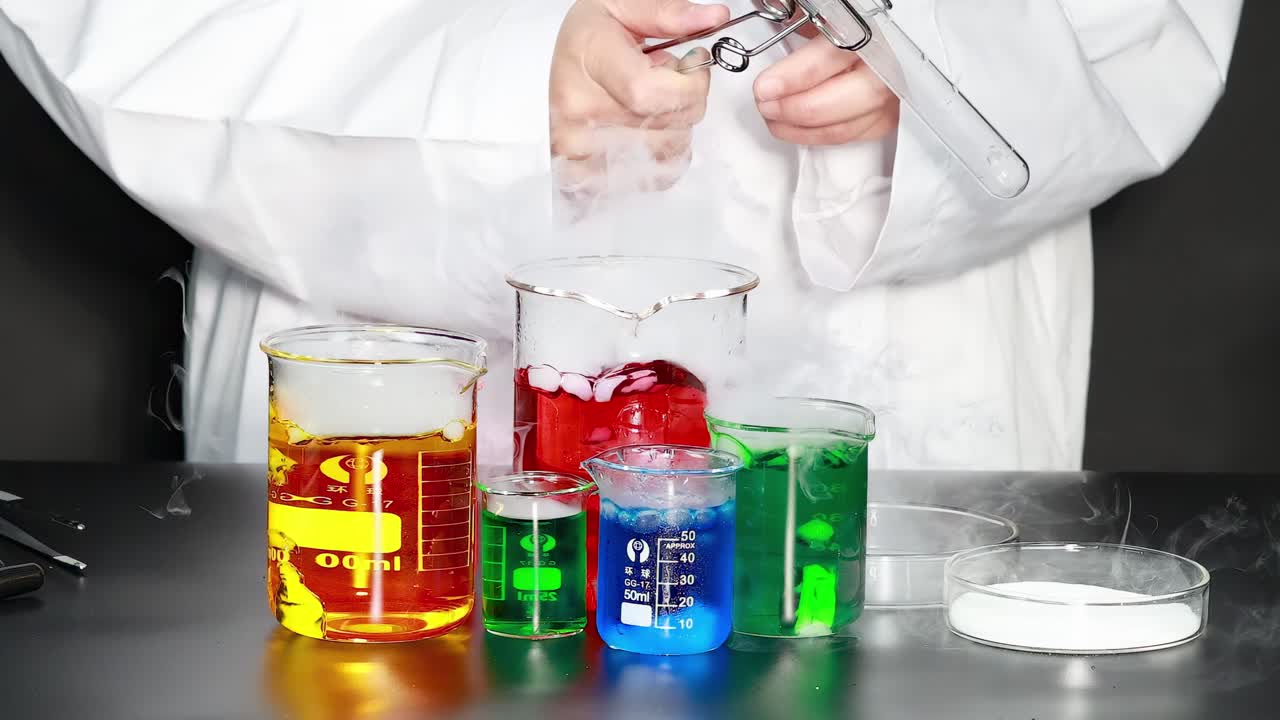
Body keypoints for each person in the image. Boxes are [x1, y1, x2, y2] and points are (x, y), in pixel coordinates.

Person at [0, 0, 1242, 470]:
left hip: (904, 379)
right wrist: (482, 84)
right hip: (401, 385)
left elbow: (1140, 27)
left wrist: (945, 65)